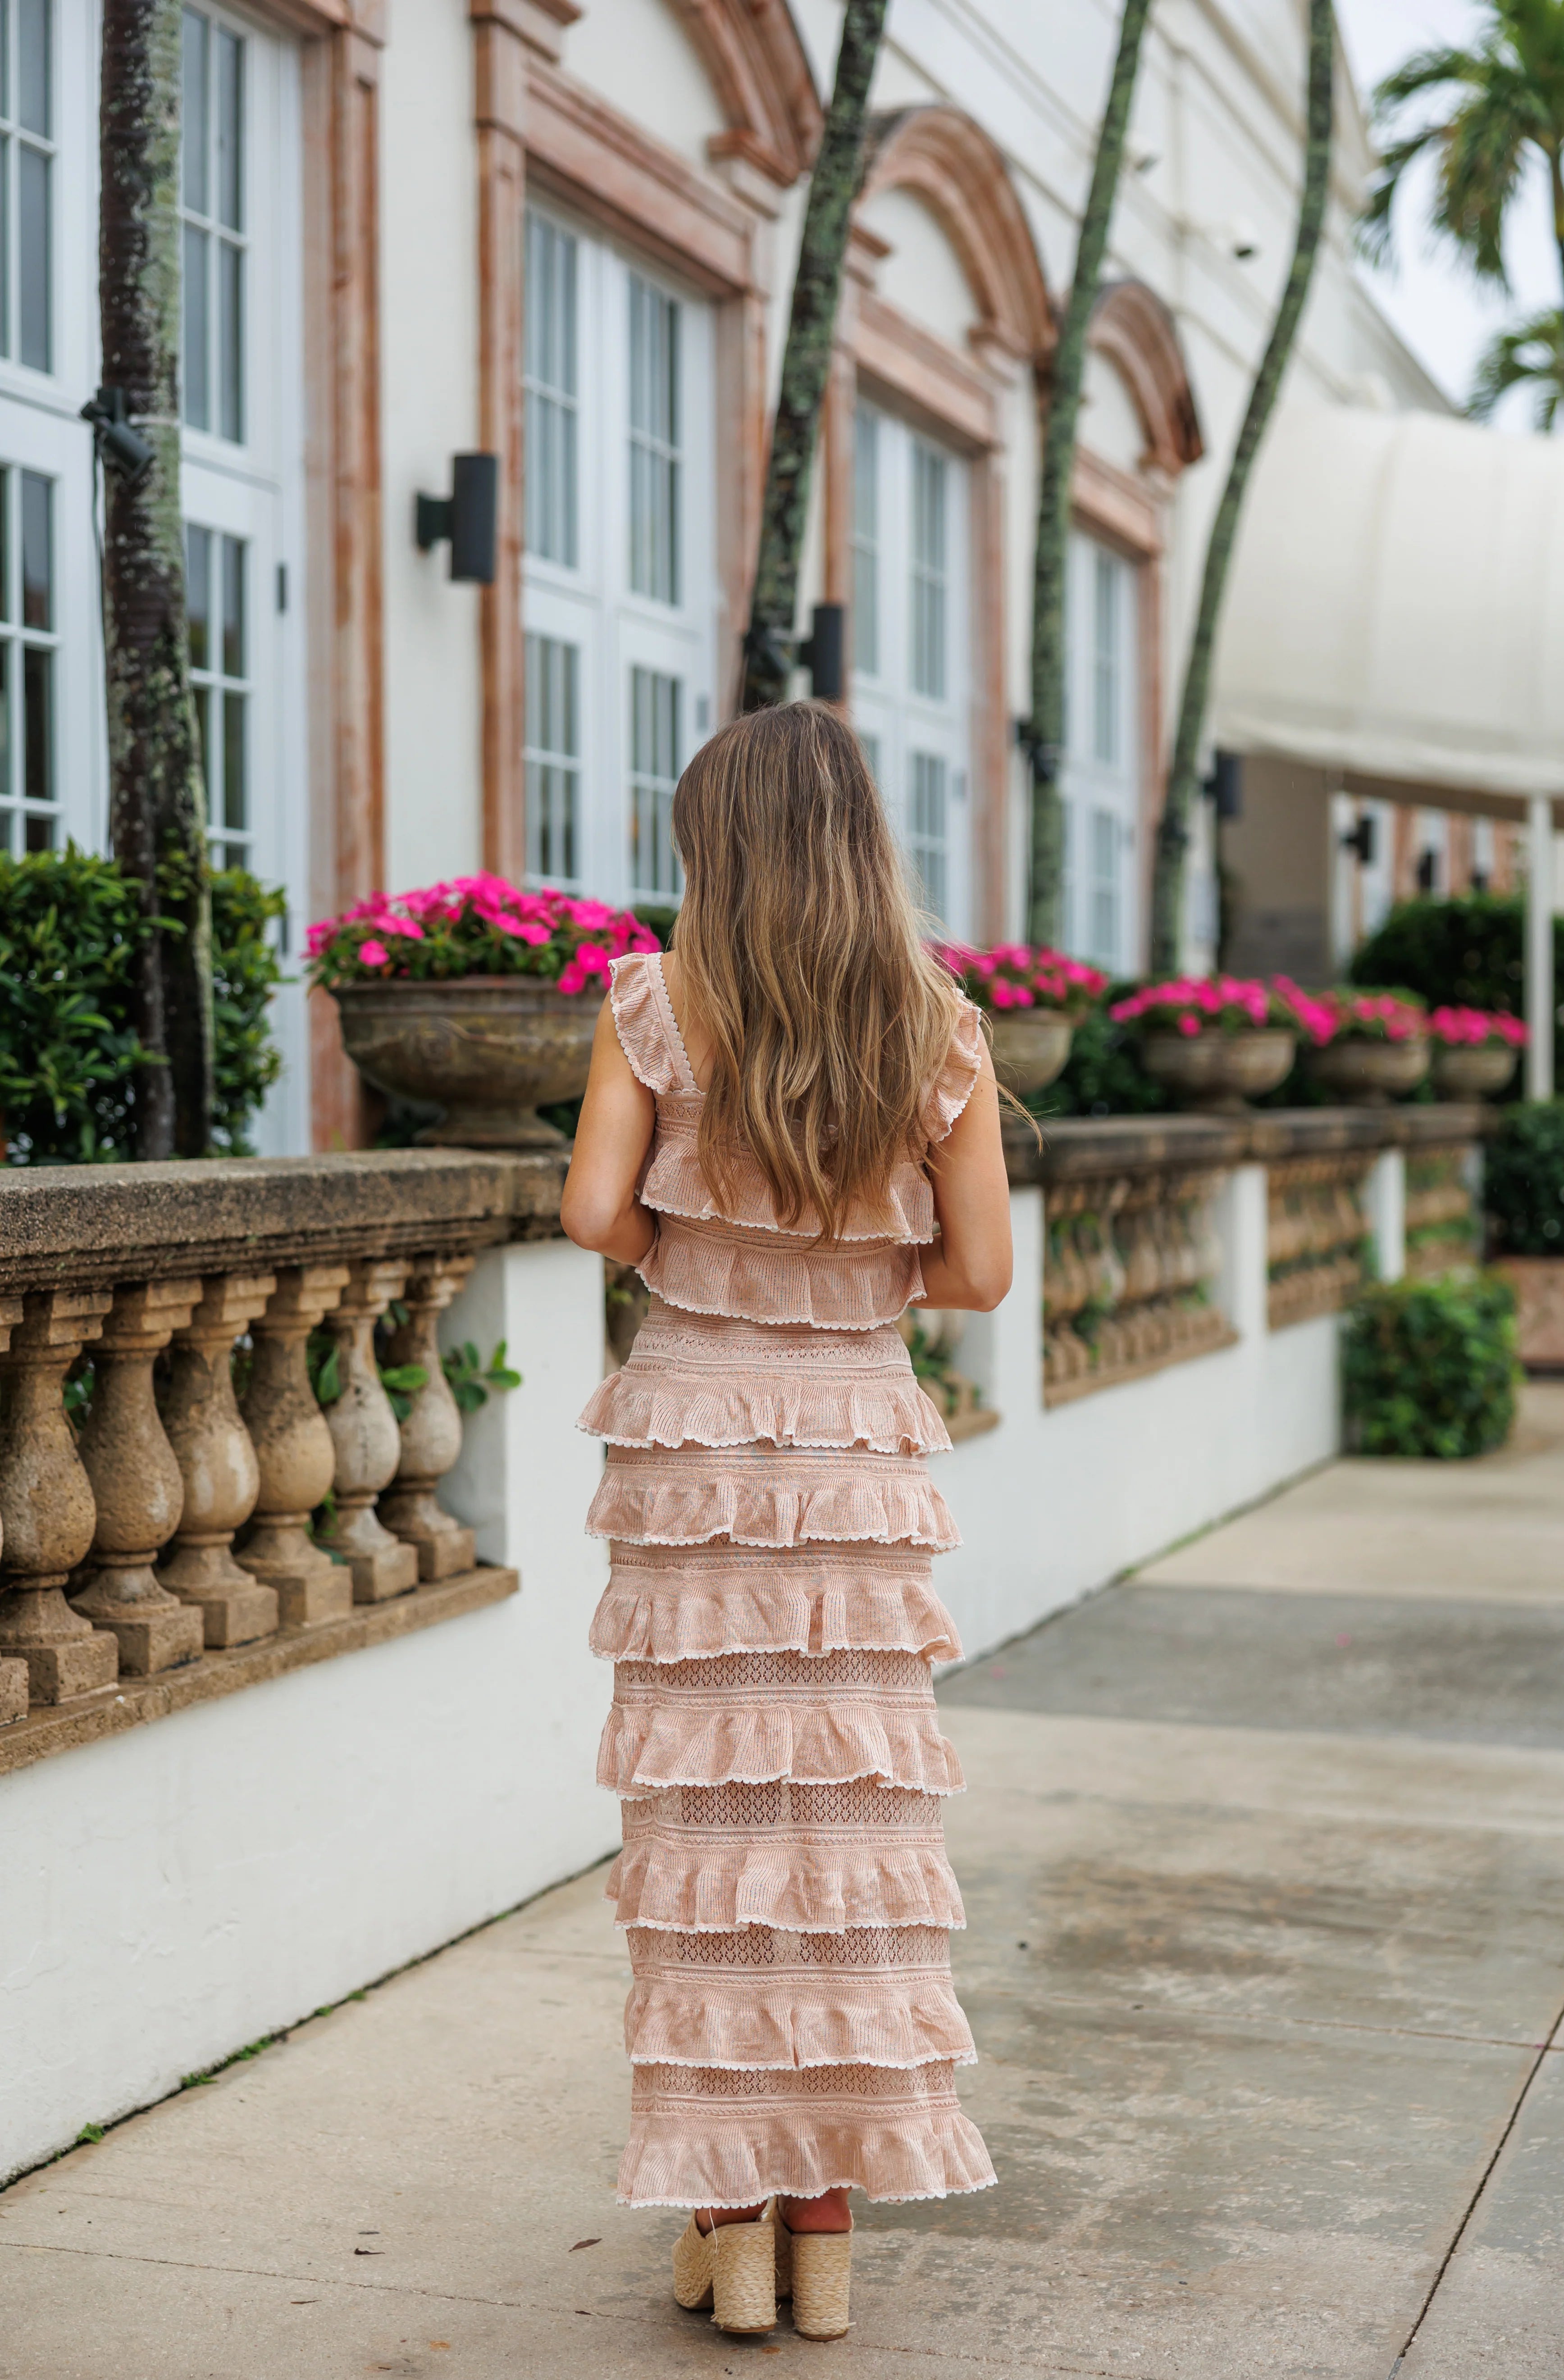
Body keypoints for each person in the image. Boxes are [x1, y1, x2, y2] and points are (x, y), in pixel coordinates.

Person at [561, 700, 1012, 2342]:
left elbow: (594, 1208)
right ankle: (821, 2230)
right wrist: (851, 1275)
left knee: (706, 1835)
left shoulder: (653, 1005)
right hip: (853, 1443)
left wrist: (704, 1266)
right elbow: (977, 1271)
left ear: (720, 851)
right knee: (846, 1834)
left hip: (690, 1435)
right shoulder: (934, 1027)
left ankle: (724, 2220)